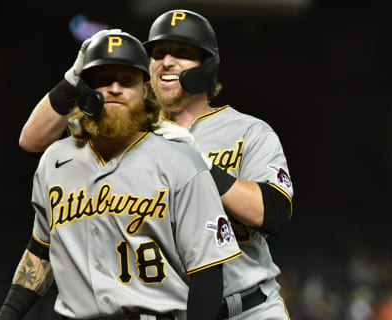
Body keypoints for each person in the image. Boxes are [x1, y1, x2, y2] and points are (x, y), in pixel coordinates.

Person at [18, 10, 294, 319]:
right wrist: (73, 76)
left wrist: (200, 164)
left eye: (183, 54)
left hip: (247, 309)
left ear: (207, 66)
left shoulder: (248, 131)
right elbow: (33, 140)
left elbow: (272, 214)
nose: (167, 62)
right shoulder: (124, 131)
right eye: (158, 53)